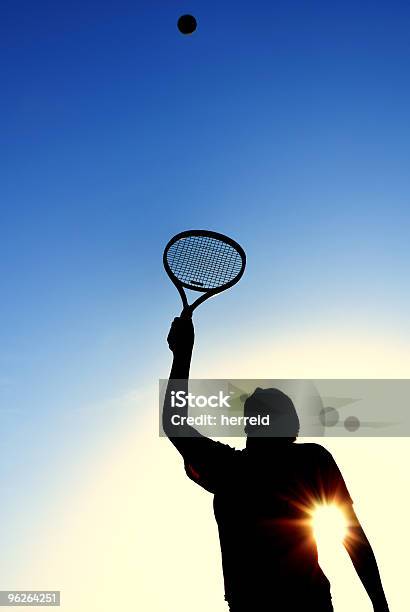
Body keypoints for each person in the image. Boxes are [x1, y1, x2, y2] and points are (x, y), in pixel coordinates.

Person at [162, 316, 390, 612]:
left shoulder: (231, 469)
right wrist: (381, 605)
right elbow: (354, 538)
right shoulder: (312, 459)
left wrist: (182, 355)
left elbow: (175, 423)